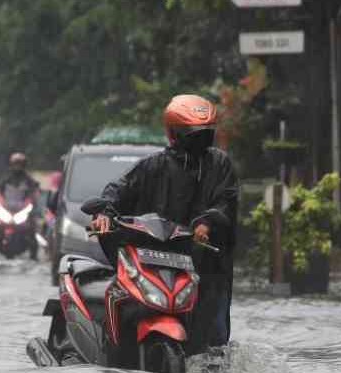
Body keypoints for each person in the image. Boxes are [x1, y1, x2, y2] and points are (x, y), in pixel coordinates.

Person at [91, 94, 239, 354]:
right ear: (174, 133)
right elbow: (117, 191)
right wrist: (104, 213)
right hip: (156, 260)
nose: (200, 140)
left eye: (205, 133)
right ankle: (118, 349)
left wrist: (207, 224)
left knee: (214, 343)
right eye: (193, 134)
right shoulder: (152, 166)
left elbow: (225, 201)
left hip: (206, 266)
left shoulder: (220, 164)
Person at [0, 152, 41, 259]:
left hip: (23, 209)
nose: (17, 166)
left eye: (20, 164)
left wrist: (32, 198)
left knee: (32, 229)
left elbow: (34, 192)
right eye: (15, 164)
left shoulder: (29, 180)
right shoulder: (6, 179)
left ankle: (33, 254)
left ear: (24, 165)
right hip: (8, 208)